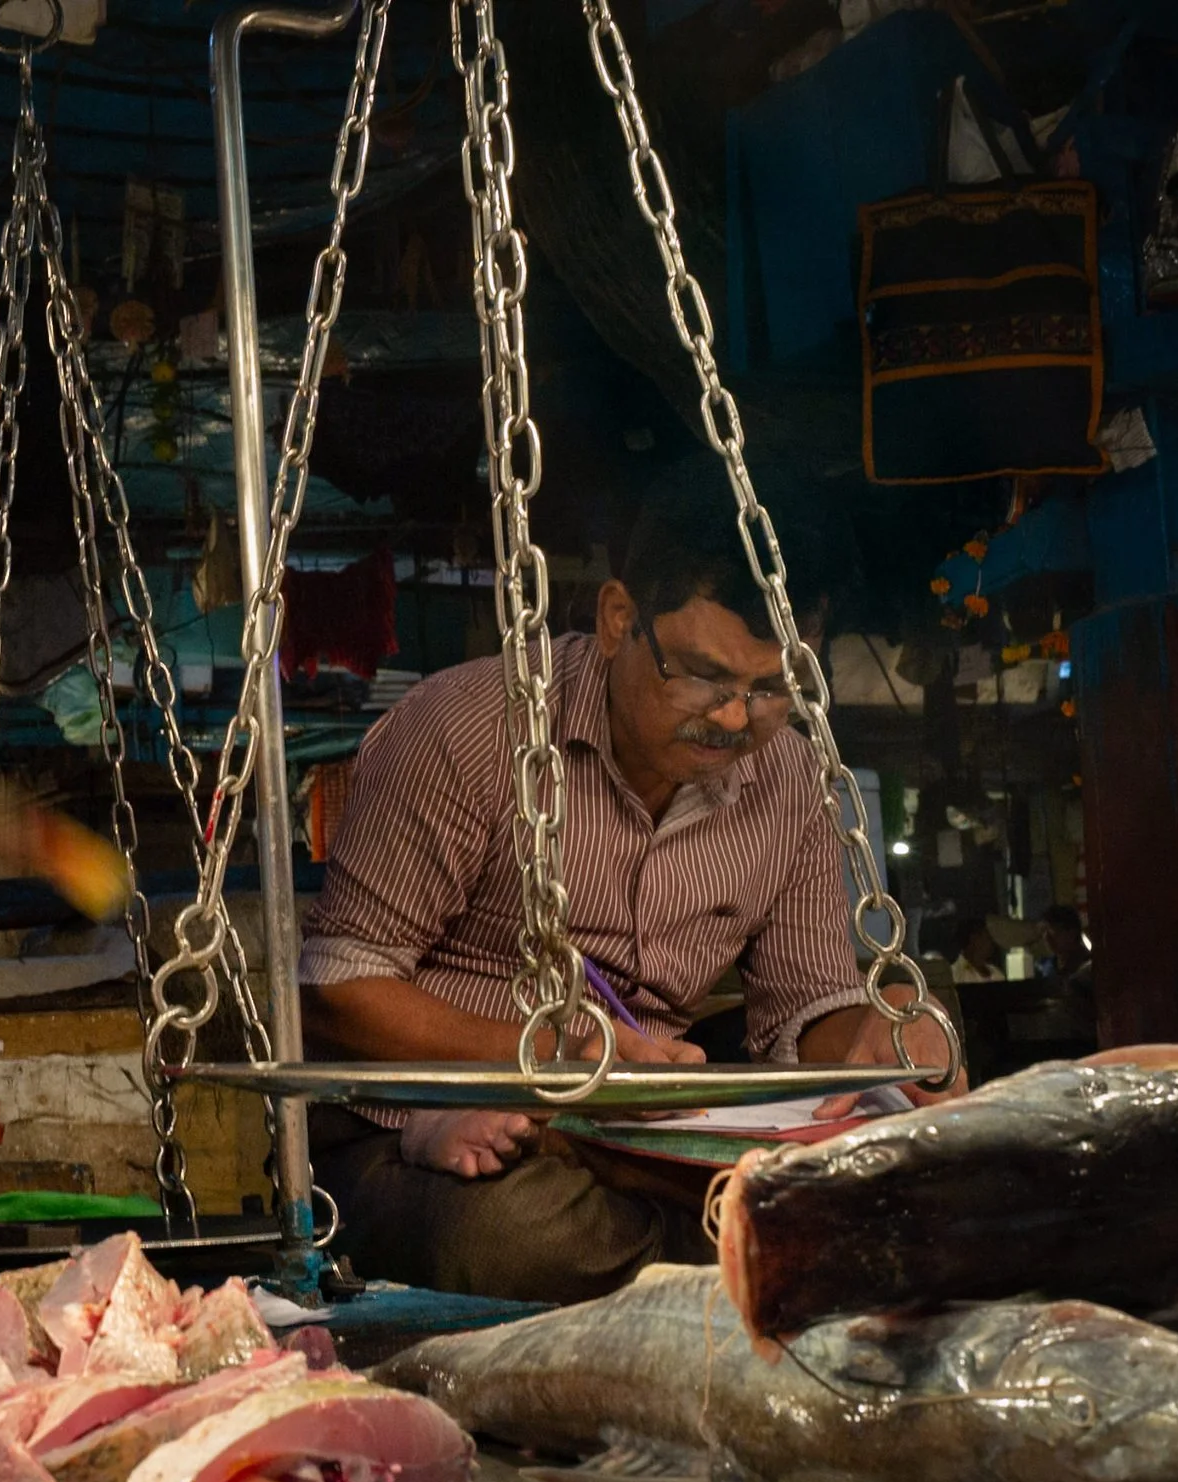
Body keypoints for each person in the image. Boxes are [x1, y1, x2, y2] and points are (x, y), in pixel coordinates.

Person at [299, 456, 961, 1303]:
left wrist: (870, 1045)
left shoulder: (791, 777)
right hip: (426, 1133)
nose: (733, 717)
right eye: (703, 674)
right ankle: (730, 1251)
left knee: (907, 1151)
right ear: (618, 619)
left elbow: (803, 1005)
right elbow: (338, 989)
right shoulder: (465, 732)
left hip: (650, 1132)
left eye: (771, 688)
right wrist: (562, 1061)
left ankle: (689, 1233)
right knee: (515, 1239)